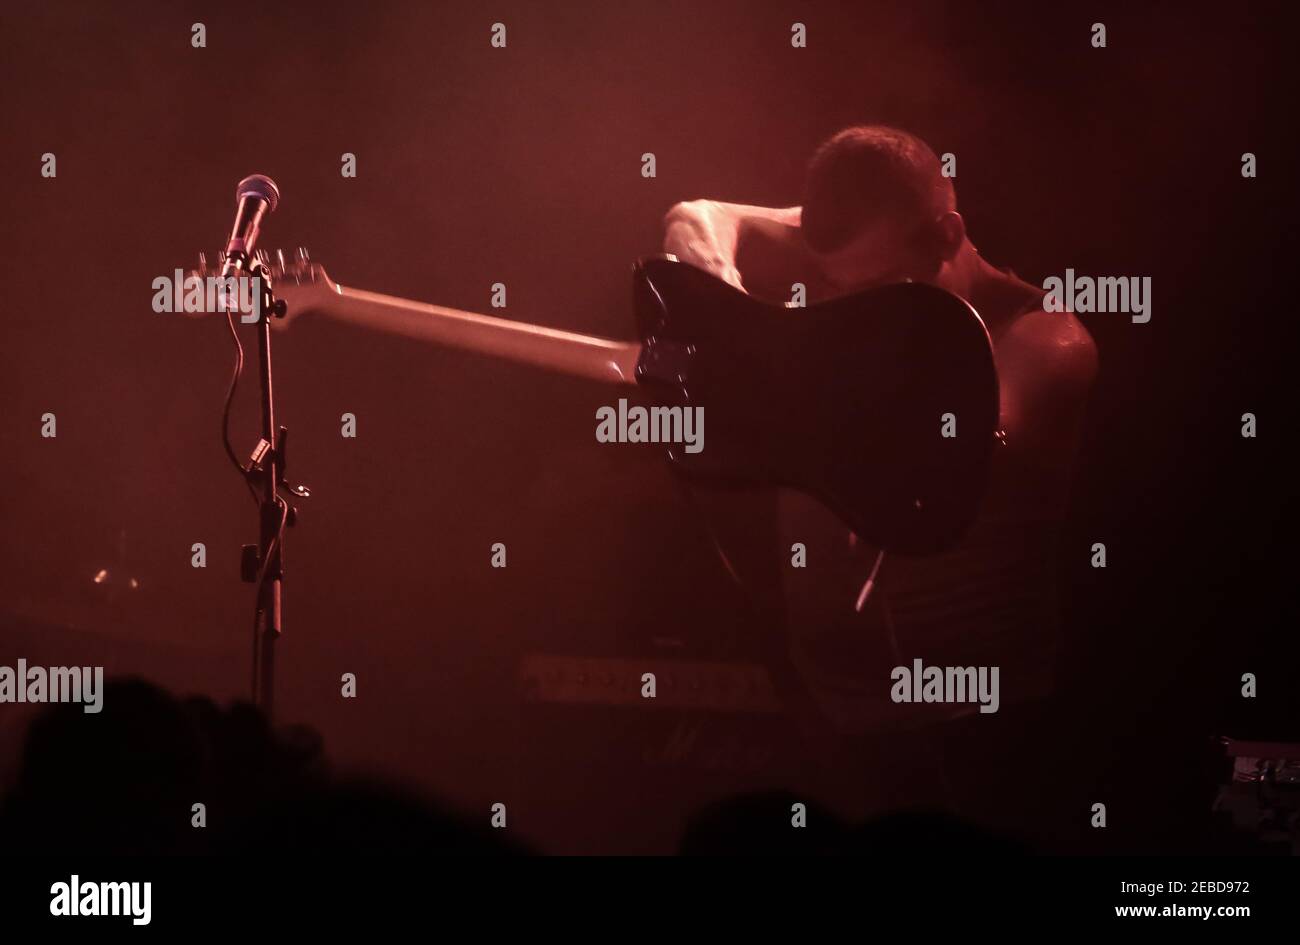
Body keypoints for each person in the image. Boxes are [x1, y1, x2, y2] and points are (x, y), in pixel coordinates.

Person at [661, 126, 1098, 832]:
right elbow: (700, 213)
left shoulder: (1047, 340)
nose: (863, 311)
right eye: (843, 287)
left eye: (887, 286)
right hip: (835, 718)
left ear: (949, 232)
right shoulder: (860, 261)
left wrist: (763, 375)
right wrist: (721, 295)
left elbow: (940, 448)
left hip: (976, 728)